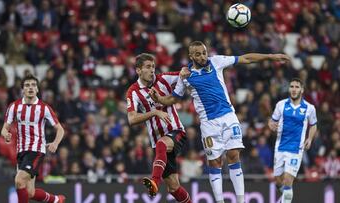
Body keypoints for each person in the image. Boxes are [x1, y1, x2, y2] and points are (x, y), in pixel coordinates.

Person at [150, 41, 290, 203]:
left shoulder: (216, 61)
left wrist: (271, 57)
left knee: (233, 155)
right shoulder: (186, 75)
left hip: (228, 117)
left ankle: (240, 200)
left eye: (204, 52)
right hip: (208, 124)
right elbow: (174, 98)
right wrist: (159, 99)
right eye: (198, 54)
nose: (203, 56)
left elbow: (245, 58)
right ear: (191, 56)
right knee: (215, 162)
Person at [126, 53, 191, 202]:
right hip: (157, 143)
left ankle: (155, 181)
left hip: (176, 131)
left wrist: (184, 71)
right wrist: (154, 112)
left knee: (162, 143)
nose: (152, 70)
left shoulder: (163, 79)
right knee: (174, 188)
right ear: (138, 70)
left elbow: (183, 72)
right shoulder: (133, 92)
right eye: (148, 67)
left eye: (153, 67)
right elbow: (132, 119)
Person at [1, 74, 65, 203]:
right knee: (29, 192)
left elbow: (60, 129)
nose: (30, 88)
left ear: (37, 89)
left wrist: (56, 143)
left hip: (36, 149)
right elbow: (4, 128)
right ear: (23, 89)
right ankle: (55, 200)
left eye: (33, 85)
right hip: (21, 151)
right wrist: (5, 134)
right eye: (27, 85)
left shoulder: (44, 108)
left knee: (19, 180)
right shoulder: (14, 106)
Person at [268, 78, 317, 203]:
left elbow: (313, 125)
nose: (294, 89)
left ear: (302, 90)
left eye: (297, 87)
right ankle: (283, 199)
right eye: (292, 86)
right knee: (278, 181)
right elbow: (272, 121)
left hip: (296, 149)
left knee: (288, 180)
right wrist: (271, 125)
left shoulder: (309, 108)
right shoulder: (281, 104)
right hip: (280, 146)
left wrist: (310, 138)